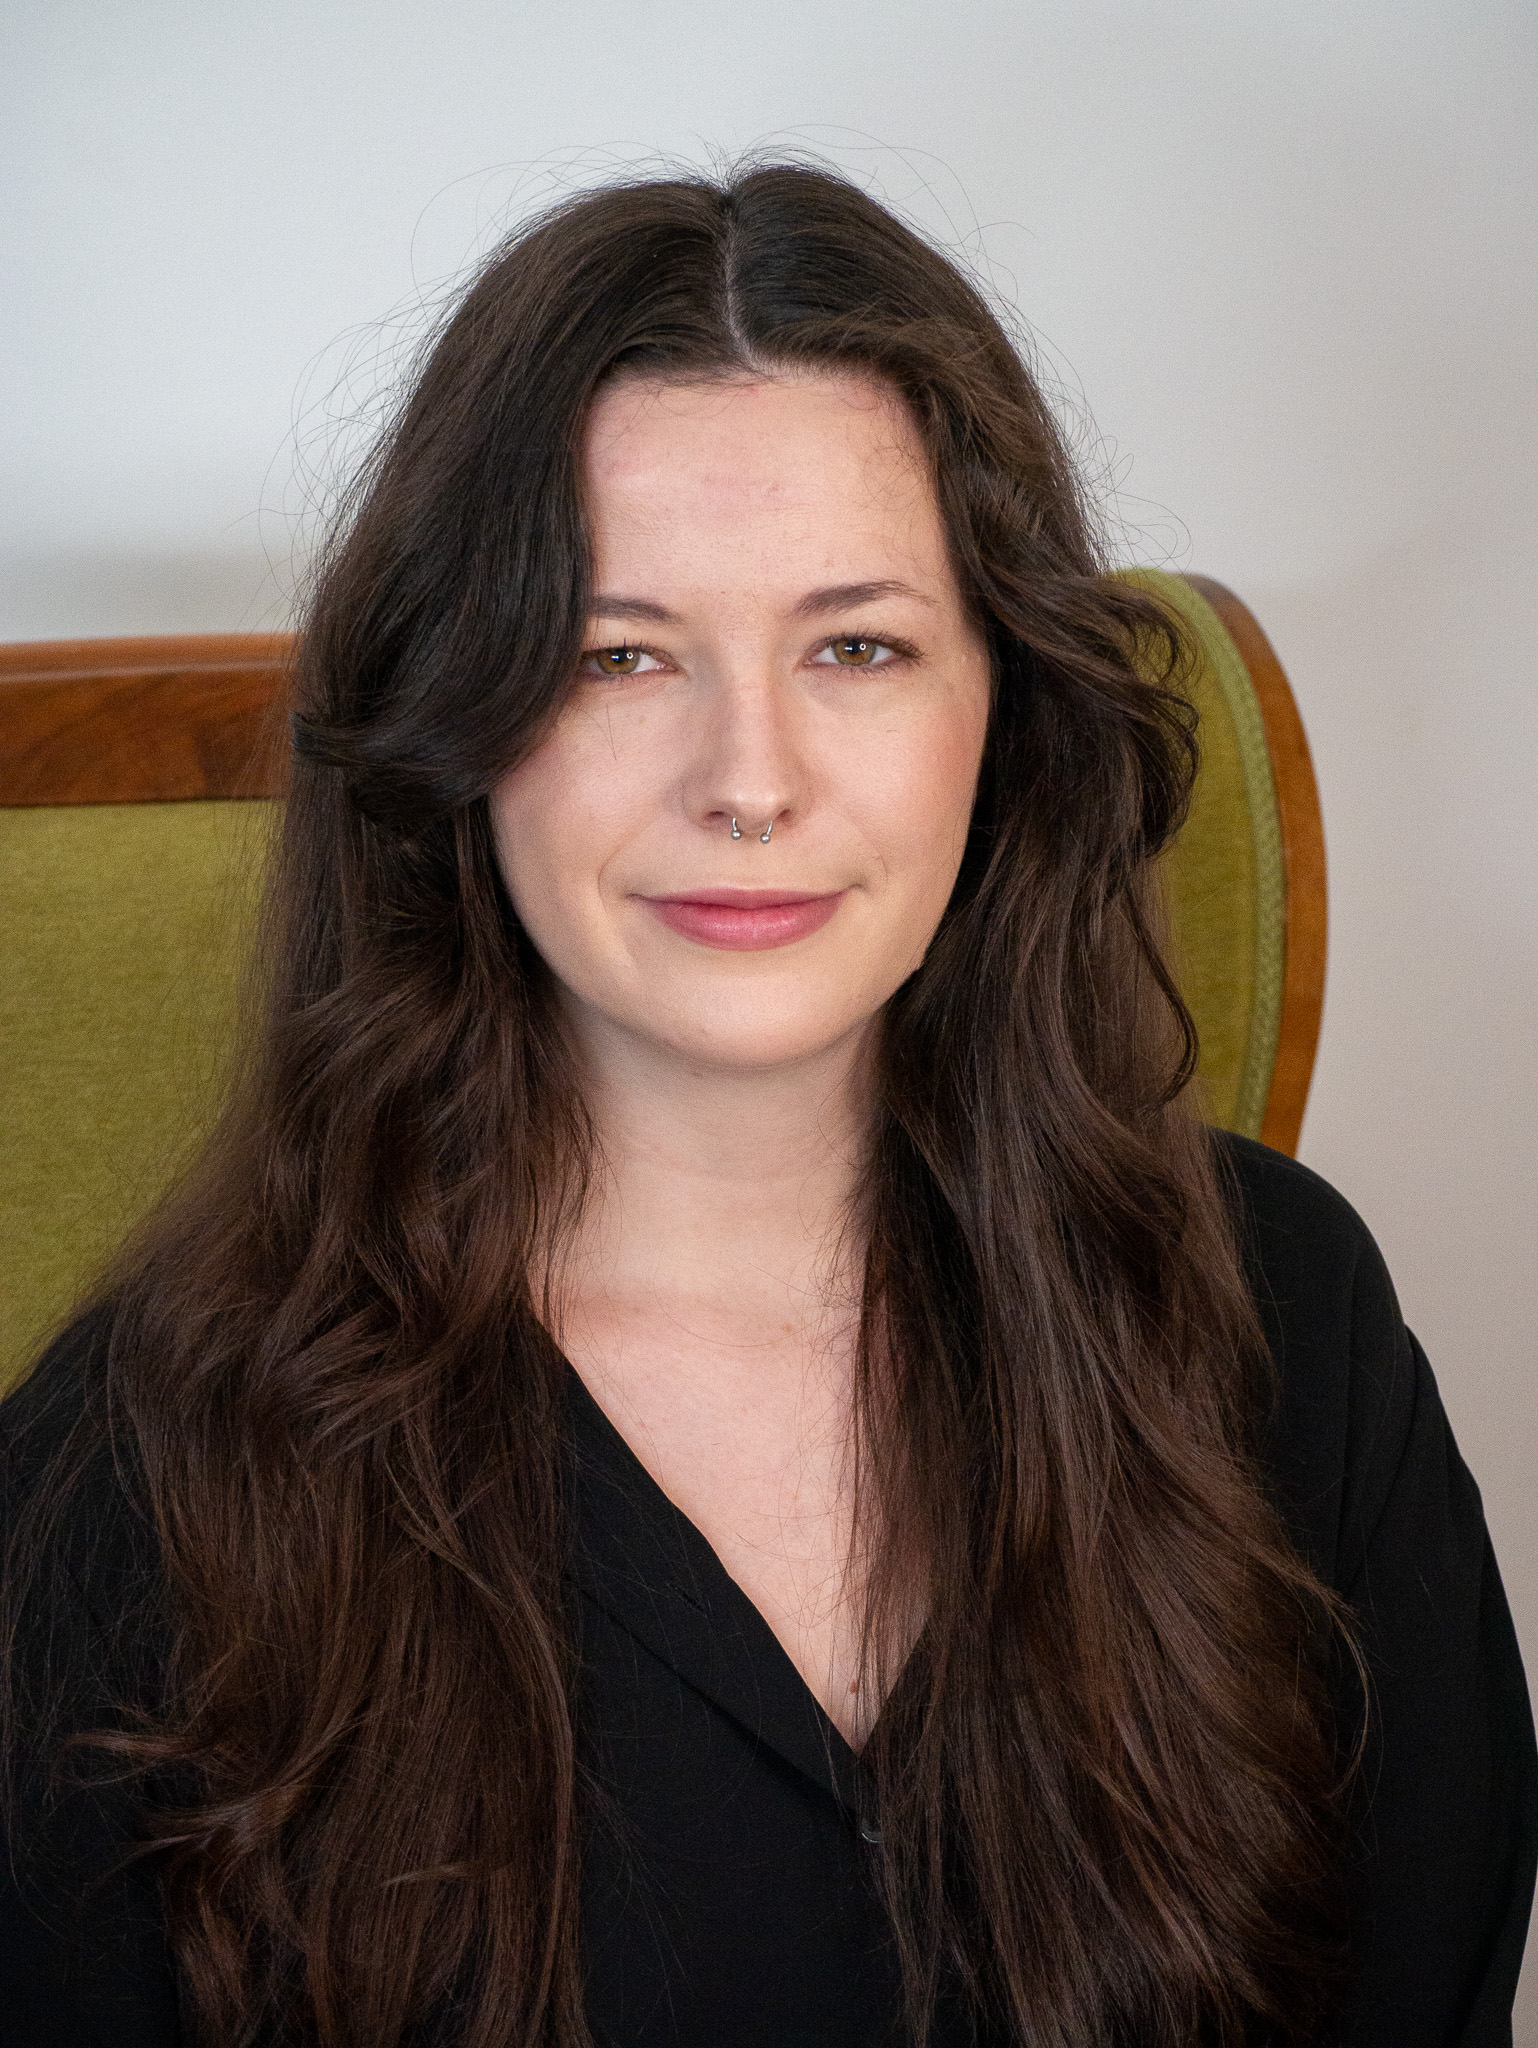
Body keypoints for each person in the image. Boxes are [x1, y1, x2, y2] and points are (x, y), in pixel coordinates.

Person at [1, 163, 1533, 2048]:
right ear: (460, 730)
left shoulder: (1285, 1321)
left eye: (856, 647)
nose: (749, 777)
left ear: (1003, 711)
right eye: (618, 654)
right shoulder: (130, 1480)